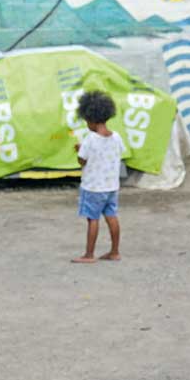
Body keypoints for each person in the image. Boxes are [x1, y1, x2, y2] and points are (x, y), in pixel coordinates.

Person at [72, 90, 125, 264]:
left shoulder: (90, 139)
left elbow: (82, 160)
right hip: (111, 186)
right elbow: (115, 153)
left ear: (92, 120)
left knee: (92, 219)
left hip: (93, 187)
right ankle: (115, 251)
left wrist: (79, 150)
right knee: (112, 216)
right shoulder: (116, 137)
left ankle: (89, 254)